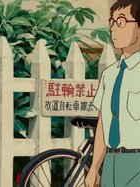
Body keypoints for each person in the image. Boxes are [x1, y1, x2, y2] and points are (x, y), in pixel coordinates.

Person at [85, 0, 140, 186]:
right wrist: (94, 167)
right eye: (112, 22)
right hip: (111, 161)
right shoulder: (109, 74)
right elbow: (103, 123)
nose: (114, 29)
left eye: (122, 22)